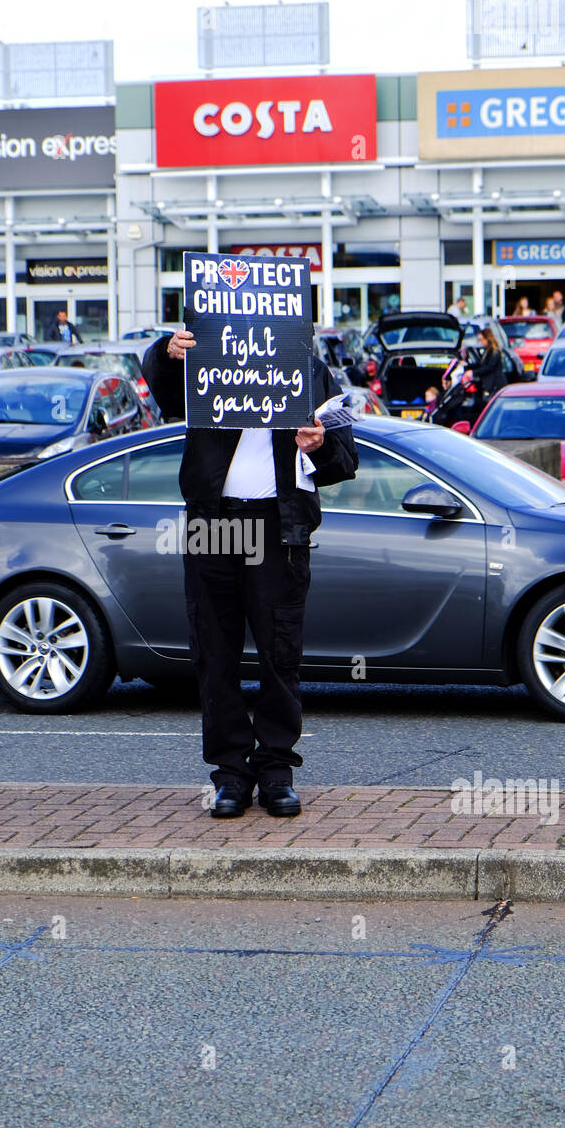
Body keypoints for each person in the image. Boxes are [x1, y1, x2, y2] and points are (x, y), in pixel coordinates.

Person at [142, 327, 357, 819]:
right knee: (213, 652)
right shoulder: (207, 363)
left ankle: (277, 769)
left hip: (277, 526)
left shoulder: (311, 374)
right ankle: (231, 775)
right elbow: (166, 393)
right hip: (212, 521)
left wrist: (318, 446)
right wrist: (167, 353)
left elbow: (345, 462)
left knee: (280, 654)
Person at [474, 325, 507, 402]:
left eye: (481, 340)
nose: (480, 342)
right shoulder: (487, 351)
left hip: (495, 385)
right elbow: (481, 364)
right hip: (491, 385)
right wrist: (467, 367)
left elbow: (489, 367)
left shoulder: (494, 351)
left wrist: (473, 373)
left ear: (487, 339)